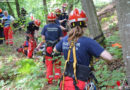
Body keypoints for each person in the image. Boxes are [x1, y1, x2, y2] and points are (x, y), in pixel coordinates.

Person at [54, 8, 113, 90]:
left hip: (66, 82)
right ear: (85, 23)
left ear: (70, 24)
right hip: (81, 83)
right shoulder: (88, 42)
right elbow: (109, 58)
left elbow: (55, 49)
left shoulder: (65, 40)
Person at [41, 12, 63, 84]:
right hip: (56, 47)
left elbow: (43, 38)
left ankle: (49, 79)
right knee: (57, 62)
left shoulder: (45, 27)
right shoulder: (58, 27)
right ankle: (58, 78)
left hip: (48, 47)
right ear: (55, 19)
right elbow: (61, 39)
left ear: (48, 19)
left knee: (49, 63)